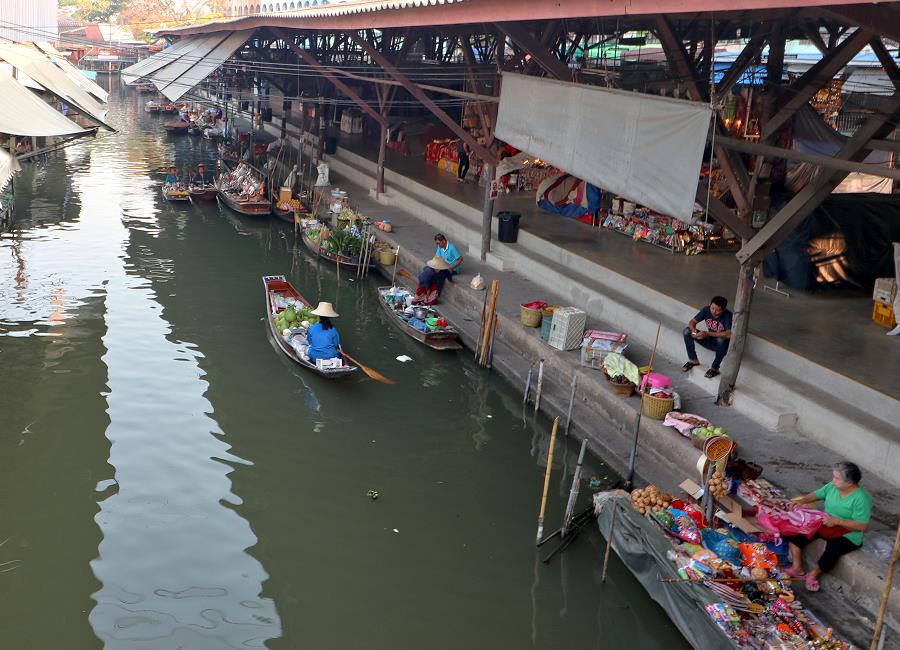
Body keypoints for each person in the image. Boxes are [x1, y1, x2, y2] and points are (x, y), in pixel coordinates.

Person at [786, 461, 872, 592]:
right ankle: (797, 568)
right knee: (796, 532)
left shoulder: (862, 499)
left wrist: (838, 521)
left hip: (849, 532)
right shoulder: (833, 486)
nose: (833, 480)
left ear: (849, 483)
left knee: (832, 551)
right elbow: (817, 494)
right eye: (834, 477)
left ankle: (814, 574)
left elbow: (862, 526)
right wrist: (802, 501)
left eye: (837, 478)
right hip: (826, 523)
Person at [682, 295, 732, 378]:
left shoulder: (727, 315)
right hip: (709, 339)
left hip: (721, 347)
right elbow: (692, 322)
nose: (714, 312)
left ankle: (715, 368)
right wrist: (694, 331)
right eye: (712, 308)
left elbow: (729, 334)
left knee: (721, 340)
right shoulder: (706, 310)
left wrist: (707, 333)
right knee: (687, 331)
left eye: (717, 310)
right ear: (710, 305)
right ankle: (693, 360)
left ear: (723, 310)